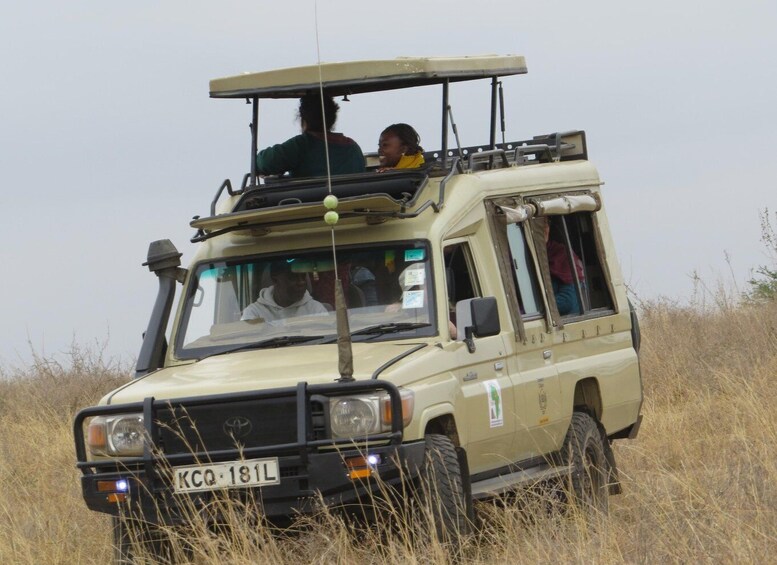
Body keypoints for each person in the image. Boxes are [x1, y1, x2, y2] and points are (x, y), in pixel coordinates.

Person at [255, 92, 365, 178]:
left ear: (304, 120)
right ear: (332, 119)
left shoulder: (301, 145)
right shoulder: (353, 148)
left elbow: (264, 162)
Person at [241, 260, 328, 322]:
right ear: (274, 279)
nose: (301, 282)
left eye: (303, 277)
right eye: (293, 277)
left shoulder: (315, 309)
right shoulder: (254, 312)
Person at [544, 218, 585, 316]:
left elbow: (567, 302)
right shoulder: (521, 258)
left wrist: (536, 308)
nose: (544, 228)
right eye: (537, 224)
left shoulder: (563, 255)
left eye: (546, 223)